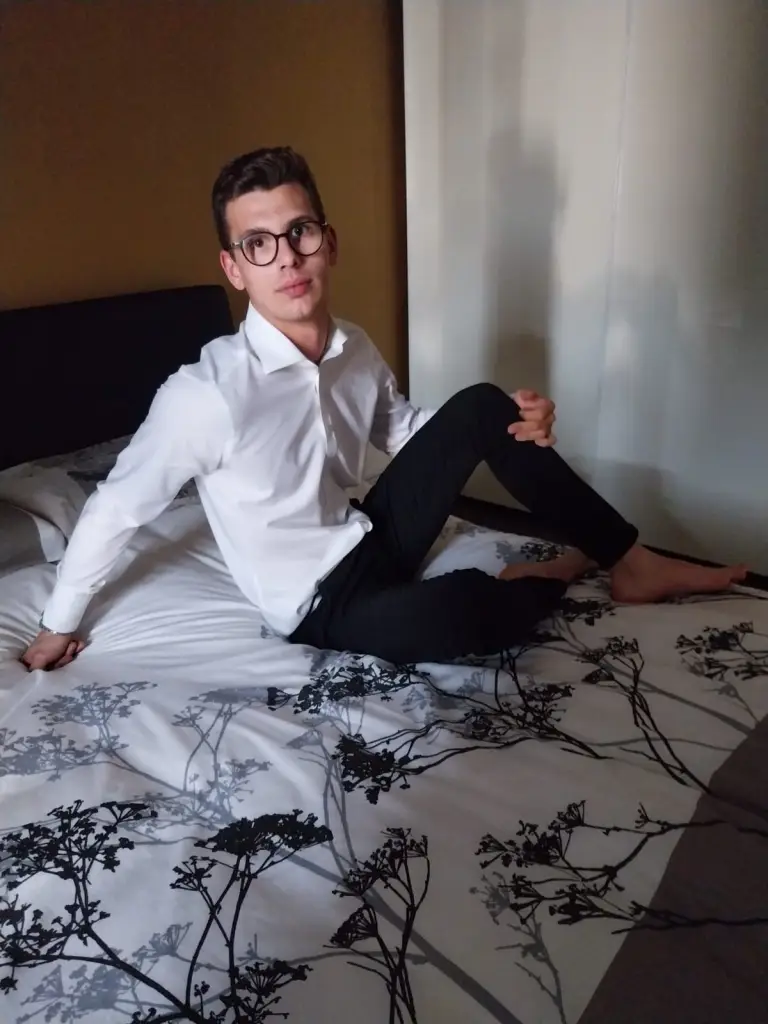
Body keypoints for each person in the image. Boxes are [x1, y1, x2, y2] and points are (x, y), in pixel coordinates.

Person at [21, 147, 746, 672]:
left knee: (485, 402)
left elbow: (402, 430)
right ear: (233, 269)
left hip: (369, 534)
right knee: (465, 615)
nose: (287, 258)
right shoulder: (204, 395)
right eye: (258, 244)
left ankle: (632, 562)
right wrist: (57, 625)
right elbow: (116, 508)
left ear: (328, 243)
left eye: (300, 232)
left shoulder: (352, 345)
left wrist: (508, 425)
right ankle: (547, 576)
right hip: (317, 604)